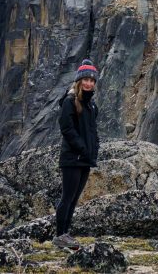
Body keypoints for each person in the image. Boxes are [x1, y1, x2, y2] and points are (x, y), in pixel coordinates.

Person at [51, 59, 100, 249]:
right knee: (67, 197)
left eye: (92, 80)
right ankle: (59, 235)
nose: (89, 83)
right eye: (86, 79)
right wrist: (82, 148)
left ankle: (66, 234)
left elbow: (93, 131)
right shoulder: (70, 102)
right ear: (79, 81)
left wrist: (94, 149)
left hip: (85, 159)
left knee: (74, 199)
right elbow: (67, 129)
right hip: (72, 158)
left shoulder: (91, 105)